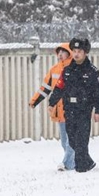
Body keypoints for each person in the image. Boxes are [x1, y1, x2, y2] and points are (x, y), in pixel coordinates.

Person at [48, 37, 99, 173]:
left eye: (79, 51)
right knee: (72, 139)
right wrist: (52, 102)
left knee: (81, 140)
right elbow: (59, 87)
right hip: (70, 109)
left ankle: (81, 168)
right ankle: (89, 163)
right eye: (74, 51)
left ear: (85, 53)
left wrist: (98, 110)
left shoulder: (92, 71)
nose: (76, 54)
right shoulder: (67, 70)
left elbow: (98, 92)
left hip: (84, 110)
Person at [29, 42, 75, 171]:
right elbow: (46, 88)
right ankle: (76, 162)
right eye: (58, 52)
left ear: (69, 53)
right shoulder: (54, 69)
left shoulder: (75, 68)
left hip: (72, 109)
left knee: (71, 139)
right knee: (64, 141)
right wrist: (35, 101)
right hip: (59, 110)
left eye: (63, 52)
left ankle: (66, 163)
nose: (60, 55)